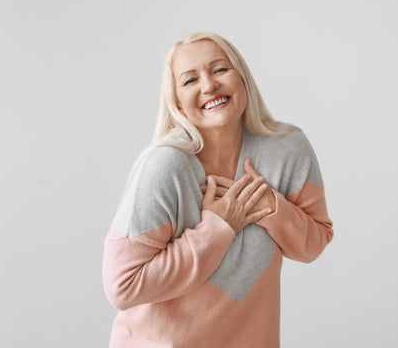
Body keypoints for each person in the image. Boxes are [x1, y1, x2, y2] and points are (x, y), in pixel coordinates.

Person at [102, 32, 334, 347]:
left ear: (243, 79)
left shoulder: (287, 150)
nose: (209, 85)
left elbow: (313, 244)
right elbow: (122, 287)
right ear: (179, 105)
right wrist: (217, 229)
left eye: (220, 69)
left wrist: (270, 206)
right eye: (189, 80)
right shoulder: (166, 167)